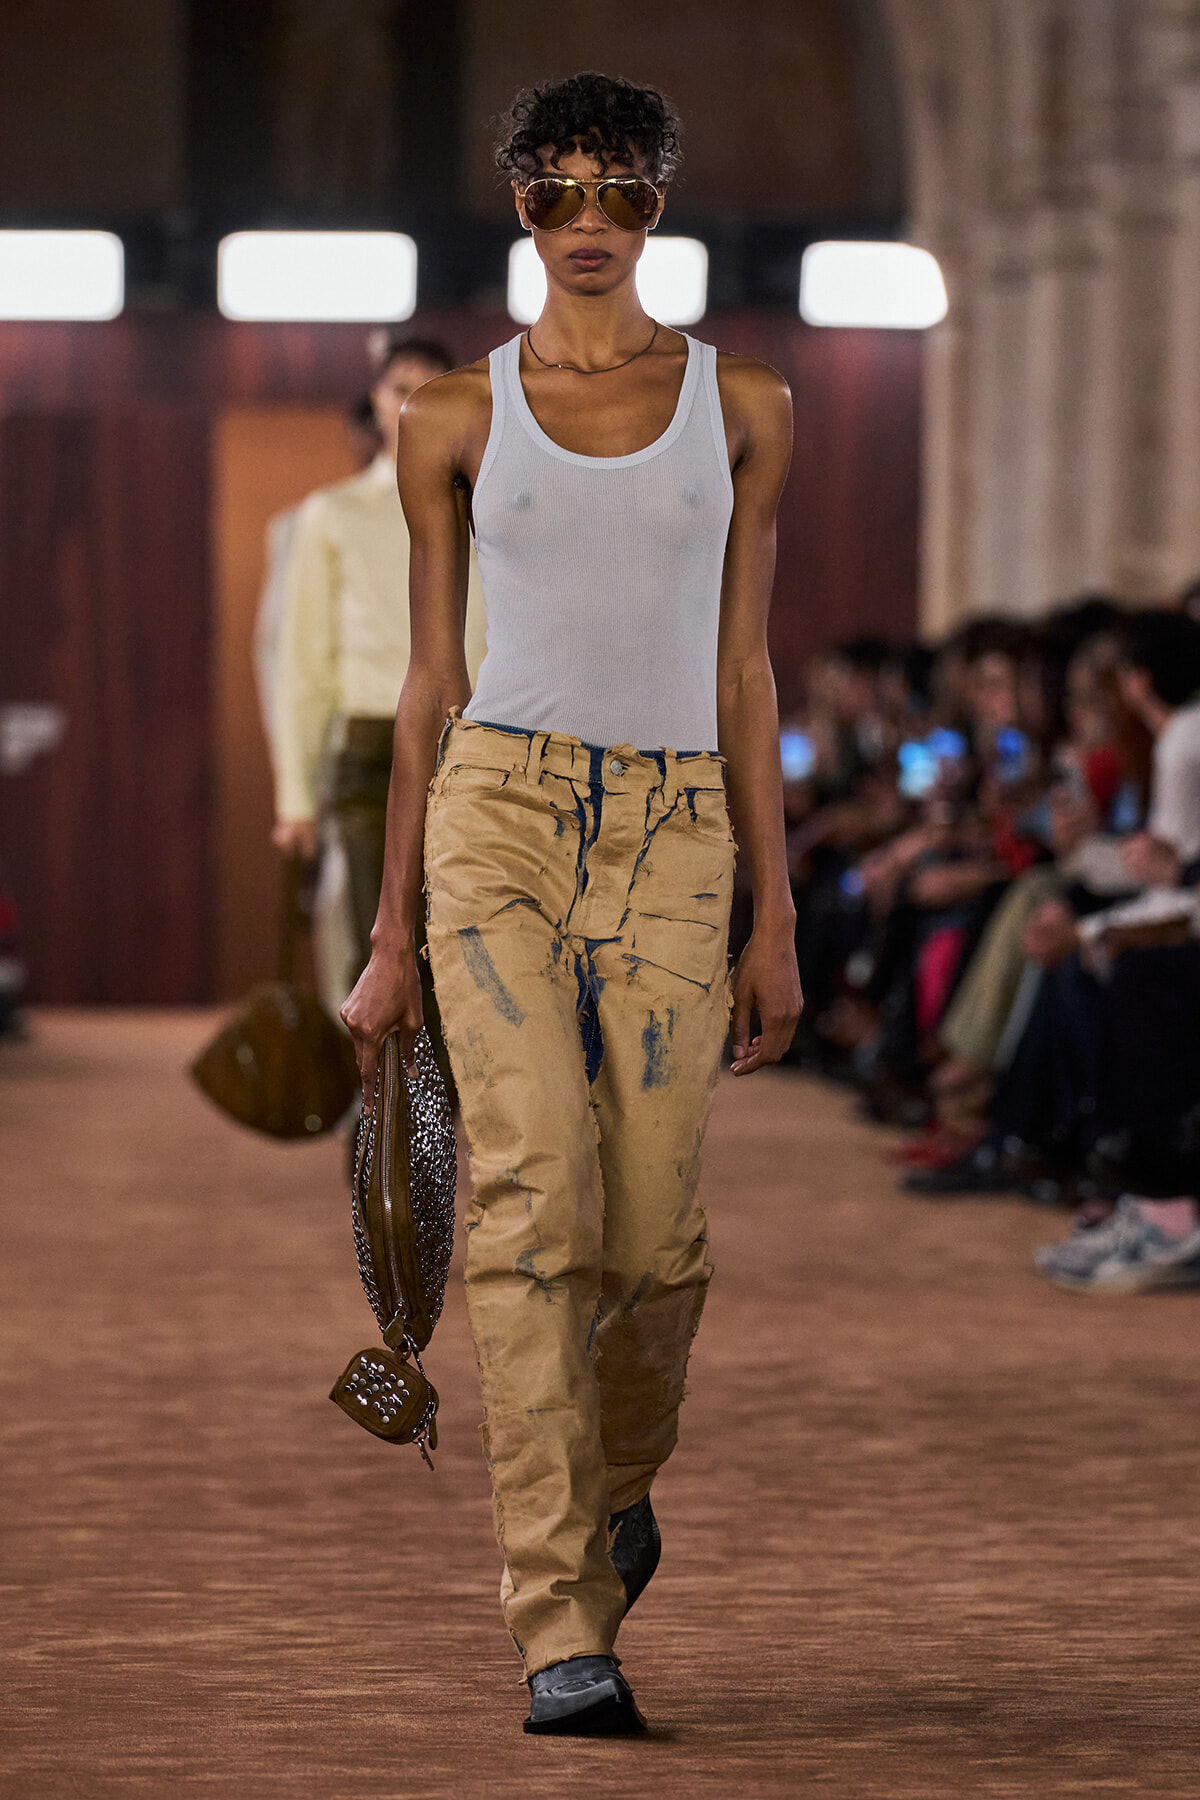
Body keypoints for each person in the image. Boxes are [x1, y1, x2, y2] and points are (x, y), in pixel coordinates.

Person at [341, 70, 802, 1735]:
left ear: (663, 205)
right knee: (534, 1211)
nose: (591, 224)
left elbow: (750, 667)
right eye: (559, 193)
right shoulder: (451, 419)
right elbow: (424, 684)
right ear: (517, 205)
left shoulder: (746, 404)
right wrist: (391, 933)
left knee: (658, 1234)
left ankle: (609, 1485)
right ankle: (558, 1619)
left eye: (624, 193)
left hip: (682, 823)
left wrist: (777, 912)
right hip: (500, 819)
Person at [269, 337, 488, 1027]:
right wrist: (296, 798)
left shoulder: (493, 512)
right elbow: (303, 662)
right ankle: (383, 1129)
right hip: (373, 746)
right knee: (379, 946)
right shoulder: (331, 513)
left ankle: (430, 1129)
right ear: (376, 403)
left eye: (432, 388)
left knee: (467, 955)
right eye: (400, 388)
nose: (413, 403)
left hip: (480, 745)